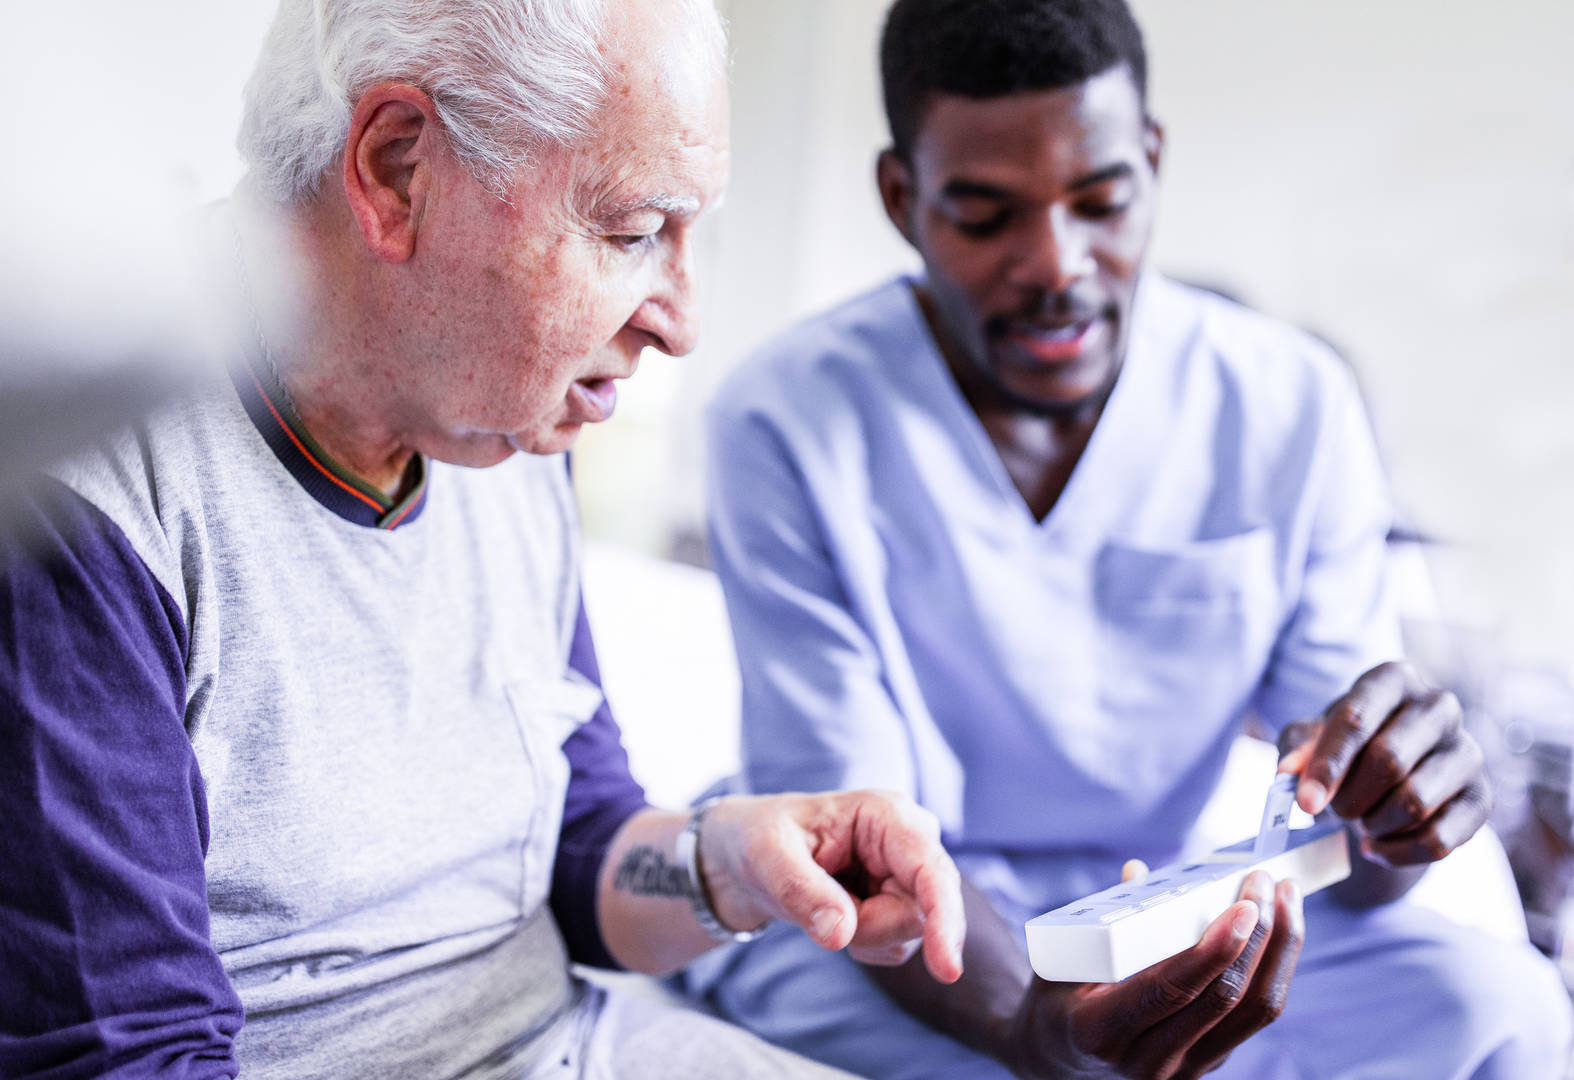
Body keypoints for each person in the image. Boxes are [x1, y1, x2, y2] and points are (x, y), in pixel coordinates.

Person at [0, 1, 974, 1077]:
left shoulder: (497, 420)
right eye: (632, 230)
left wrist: (730, 862)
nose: (681, 320)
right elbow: (129, 1056)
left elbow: (574, 836)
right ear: (399, 167)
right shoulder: (84, 499)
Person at [682, 0, 1574, 1077]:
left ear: (1149, 163)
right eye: (983, 215)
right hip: (895, 935)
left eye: (1100, 200)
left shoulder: (1290, 403)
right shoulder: (782, 420)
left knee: (1497, 1007)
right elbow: (846, 847)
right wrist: (1035, 1033)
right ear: (900, 198)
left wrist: (1397, 816)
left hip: (1165, 897)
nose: (1055, 263)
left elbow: (1333, 834)